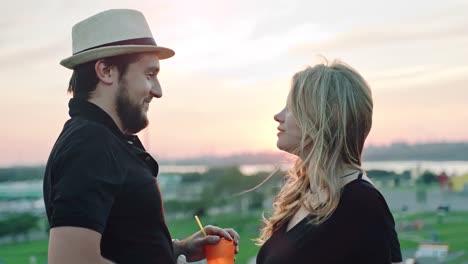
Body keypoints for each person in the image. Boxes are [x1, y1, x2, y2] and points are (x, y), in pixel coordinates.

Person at [43, 9, 239, 264]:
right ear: (106, 71)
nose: (157, 91)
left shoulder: (102, 140)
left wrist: (178, 249)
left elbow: (116, 245)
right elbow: (70, 261)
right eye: (149, 75)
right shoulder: (91, 143)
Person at [256, 60, 402, 263]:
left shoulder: (362, 204)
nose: (278, 116)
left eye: (291, 108)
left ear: (323, 117)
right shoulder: (305, 194)